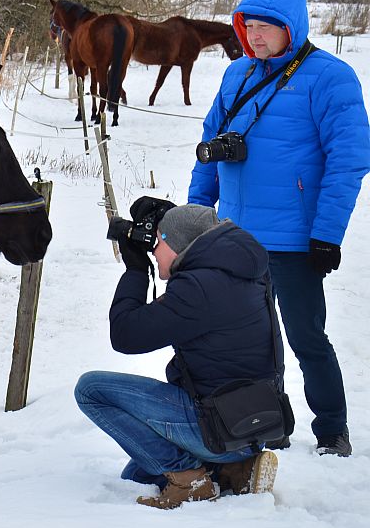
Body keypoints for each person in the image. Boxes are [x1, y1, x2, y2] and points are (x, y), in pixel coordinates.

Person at [188, 0, 370, 457]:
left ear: (294, 27)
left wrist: (326, 234)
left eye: (269, 27)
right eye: (250, 26)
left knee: (306, 337)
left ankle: (332, 429)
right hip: (235, 237)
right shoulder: (236, 76)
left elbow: (348, 159)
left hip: (294, 239)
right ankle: (265, 424)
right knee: (250, 343)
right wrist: (195, 217)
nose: (257, 36)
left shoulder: (331, 78)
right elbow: (211, 148)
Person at [76, 202, 280, 510]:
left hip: (216, 427)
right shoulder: (247, 272)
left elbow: (125, 335)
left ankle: (190, 480)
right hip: (251, 424)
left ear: (180, 245)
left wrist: (135, 270)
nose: (155, 251)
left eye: (159, 242)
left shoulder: (198, 289)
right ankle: (234, 469)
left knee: (91, 390)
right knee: (135, 475)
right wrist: (173, 219)